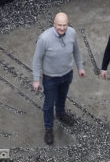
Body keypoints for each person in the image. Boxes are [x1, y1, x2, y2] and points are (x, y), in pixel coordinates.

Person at [31, 12, 85, 145]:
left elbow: (76, 51)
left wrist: (80, 67)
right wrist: (36, 79)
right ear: (54, 24)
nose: (62, 28)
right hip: (51, 78)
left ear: (68, 24)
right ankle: (49, 128)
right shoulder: (44, 39)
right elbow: (37, 59)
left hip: (67, 74)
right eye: (59, 25)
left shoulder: (72, 33)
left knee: (62, 97)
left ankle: (61, 114)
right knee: (49, 104)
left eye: (65, 25)